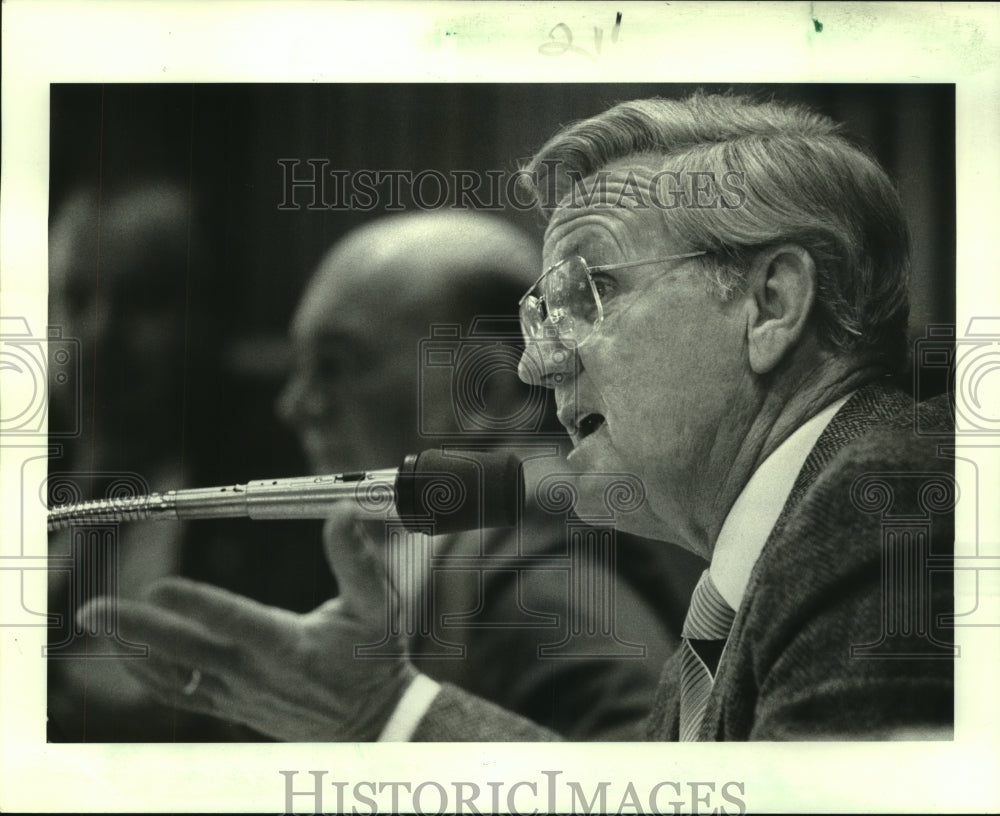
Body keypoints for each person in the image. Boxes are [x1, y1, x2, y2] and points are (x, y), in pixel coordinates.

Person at [83, 92, 954, 742]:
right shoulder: (771, 557)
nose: (539, 361)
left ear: (772, 303)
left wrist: (389, 718)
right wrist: (386, 712)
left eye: (591, 293)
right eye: (543, 312)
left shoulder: (882, 511)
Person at [72, 210, 694, 741]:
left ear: (494, 387)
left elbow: (648, 788)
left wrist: (389, 717)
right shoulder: (447, 552)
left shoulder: (539, 567)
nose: (296, 405)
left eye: (338, 366)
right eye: (299, 367)